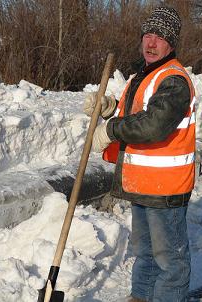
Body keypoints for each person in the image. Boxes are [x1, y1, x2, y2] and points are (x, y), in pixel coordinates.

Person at [84, 7, 195, 302]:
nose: (151, 42)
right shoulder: (144, 76)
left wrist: (111, 129)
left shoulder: (173, 79)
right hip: (144, 185)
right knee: (145, 253)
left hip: (166, 188)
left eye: (159, 37)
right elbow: (137, 112)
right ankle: (141, 297)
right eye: (147, 35)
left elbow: (154, 124)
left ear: (171, 43)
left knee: (170, 260)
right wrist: (110, 106)